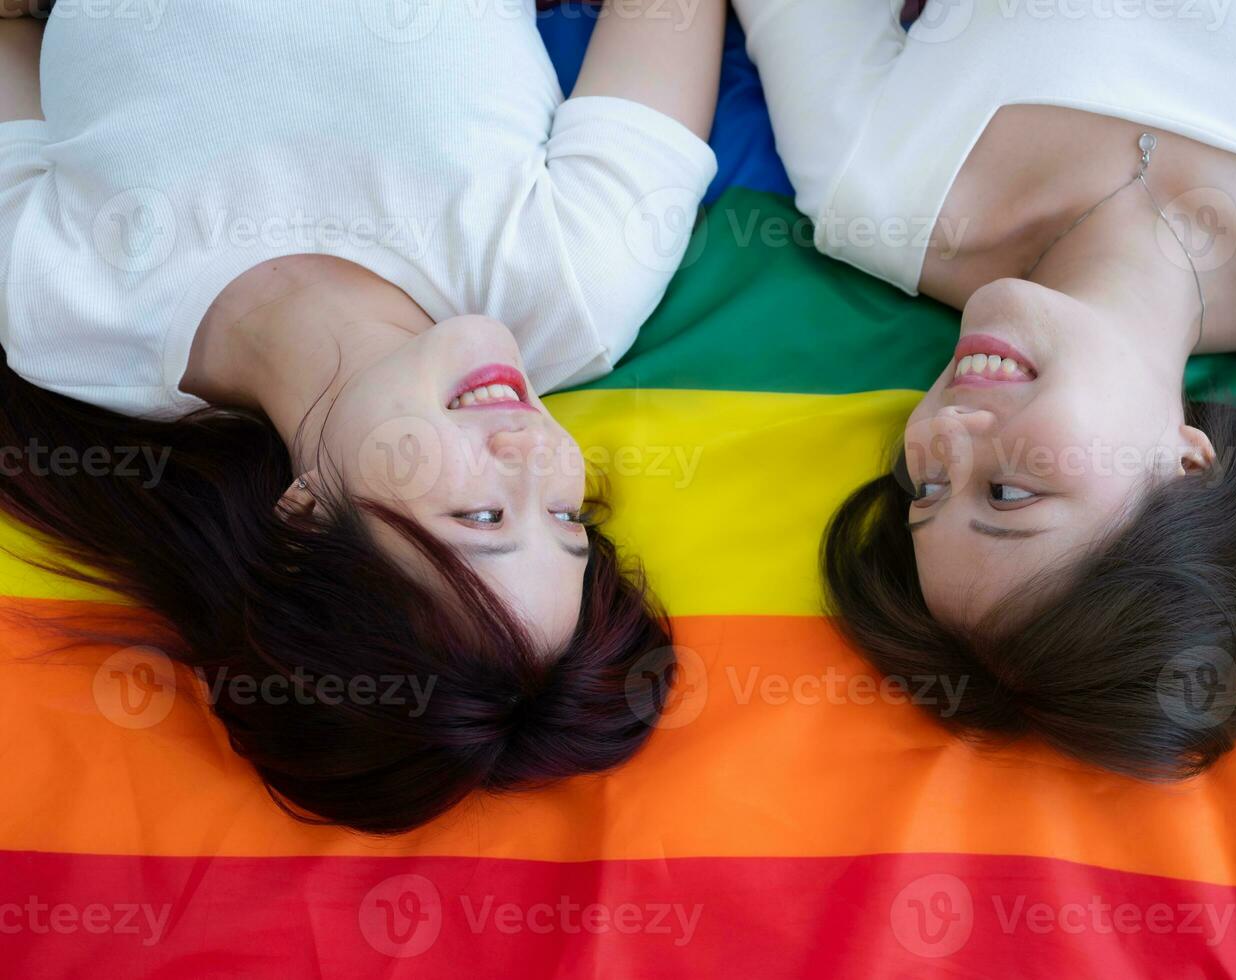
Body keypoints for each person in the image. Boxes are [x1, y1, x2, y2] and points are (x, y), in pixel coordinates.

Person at [0, 0, 723, 833]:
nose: (532, 453)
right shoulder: (576, 284)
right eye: (564, 516)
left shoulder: (60, 313)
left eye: (481, 514)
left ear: (306, 519)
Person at [733, 0, 1236, 774]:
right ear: (1187, 467)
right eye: (1008, 493)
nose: (944, 434)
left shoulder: (870, 191)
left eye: (926, 487)